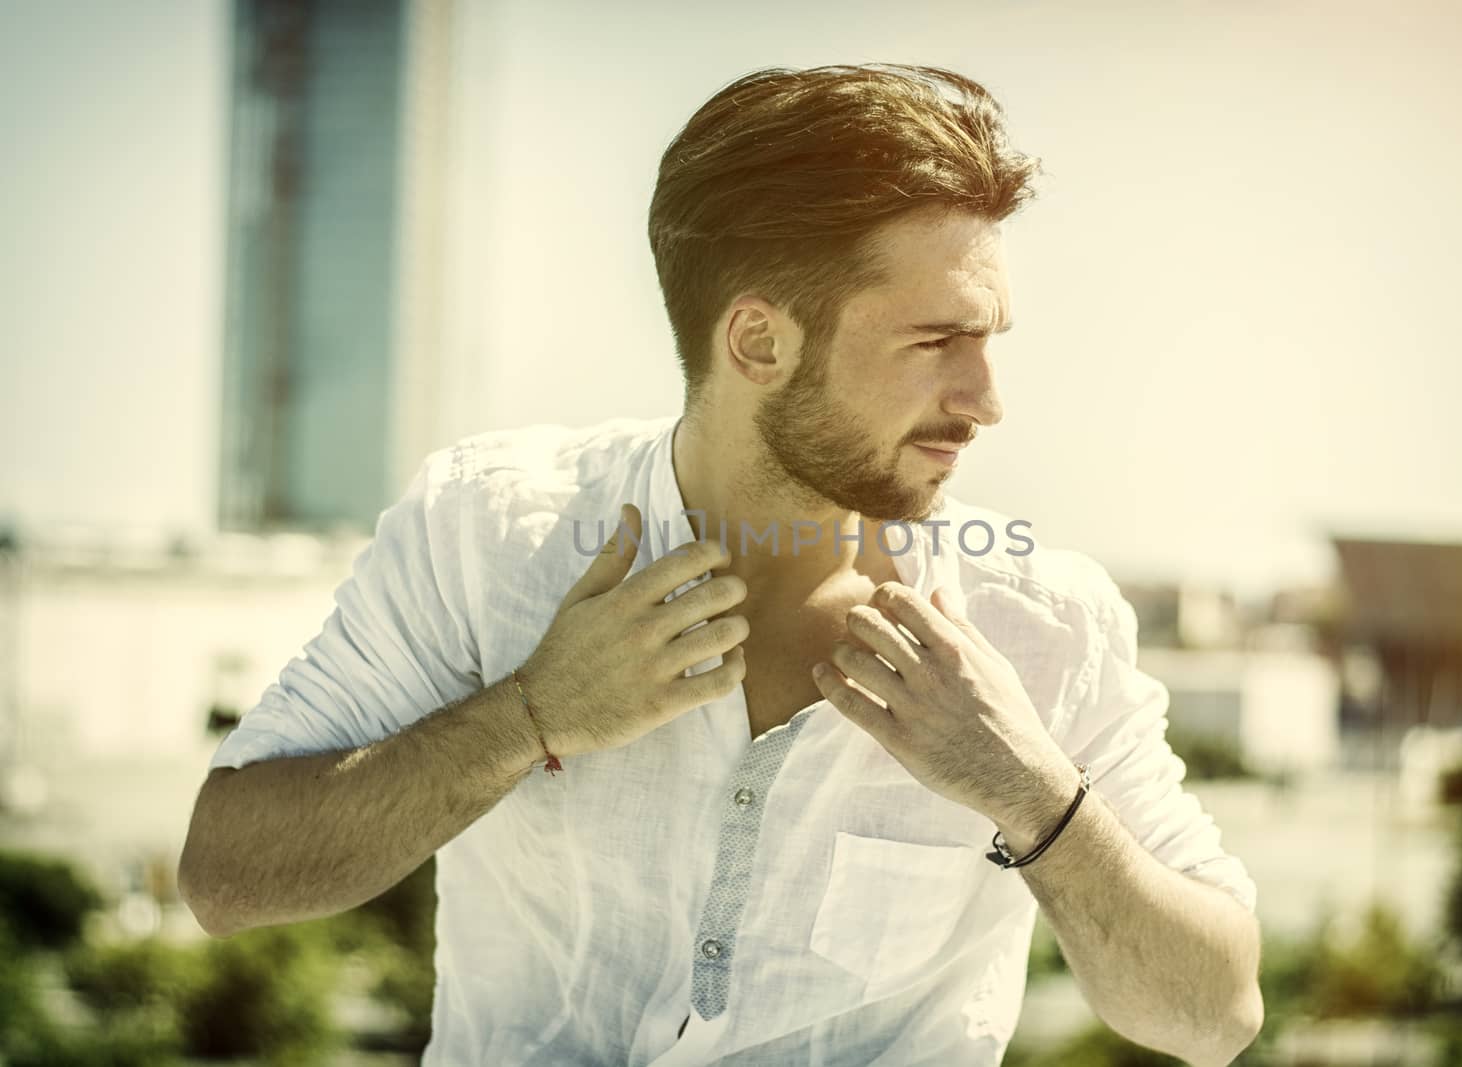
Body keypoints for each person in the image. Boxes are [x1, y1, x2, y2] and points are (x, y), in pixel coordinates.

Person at [178, 63, 1263, 1066]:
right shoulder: (485, 532)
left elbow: (1214, 1017)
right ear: (758, 342)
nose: (985, 400)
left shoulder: (1042, 624)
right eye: (937, 342)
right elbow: (225, 877)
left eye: (991, 342)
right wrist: (527, 716)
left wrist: (1029, 792)